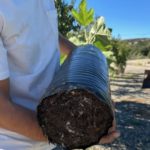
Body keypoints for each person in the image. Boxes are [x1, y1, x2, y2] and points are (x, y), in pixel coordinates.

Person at [0, 0, 120, 149]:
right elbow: (2, 111)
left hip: (49, 137)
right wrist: (79, 133)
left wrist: (89, 62)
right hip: (13, 143)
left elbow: (49, 34)